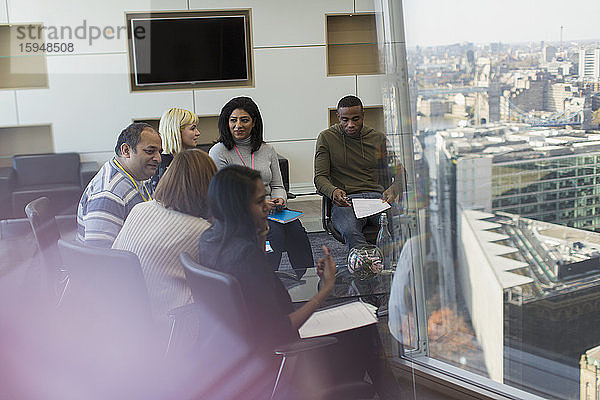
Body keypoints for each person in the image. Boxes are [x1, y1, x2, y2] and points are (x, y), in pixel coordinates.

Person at [198, 165, 399, 399]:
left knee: (364, 329)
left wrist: (260, 232)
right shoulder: (246, 256)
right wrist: (324, 292)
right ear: (238, 207)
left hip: (239, 356)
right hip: (284, 359)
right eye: (259, 201)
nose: (267, 206)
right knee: (366, 328)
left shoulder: (210, 240)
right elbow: (281, 327)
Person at [209, 96, 313, 279]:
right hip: (241, 211)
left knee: (298, 233)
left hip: (274, 209)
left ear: (254, 122)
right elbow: (226, 194)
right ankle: (264, 281)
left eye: (244, 120)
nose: (238, 125)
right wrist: (261, 203)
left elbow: (278, 185)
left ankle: (307, 279)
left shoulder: (267, 150)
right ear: (226, 123)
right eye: (233, 120)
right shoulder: (219, 151)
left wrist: (281, 198)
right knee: (275, 234)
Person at [113, 149, 216, 331]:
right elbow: (224, 282)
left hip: (122, 319)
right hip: (174, 325)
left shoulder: (139, 209)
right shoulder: (202, 231)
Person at [314, 95, 405, 250]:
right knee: (351, 231)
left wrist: (393, 189)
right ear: (338, 117)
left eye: (356, 119)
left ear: (363, 116)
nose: (351, 124)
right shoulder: (327, 138)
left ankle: (393, 267)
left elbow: (400, 173)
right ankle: (364, 268)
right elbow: (320, 177)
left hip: (377, 199)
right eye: (345, 120)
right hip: (347, 200)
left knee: (401, 227)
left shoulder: (377, 138)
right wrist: (333, 191)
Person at [77, 122, 162, 248]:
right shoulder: (108, 194)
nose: (158, 159)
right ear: (126, 151)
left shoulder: (138, 175)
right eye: (150, 151)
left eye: (159, 152)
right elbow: (99, 254)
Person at [150, 107, 201, 190]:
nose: (198, 133)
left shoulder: (185, 159)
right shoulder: (164, 163)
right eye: (192, 128)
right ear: (176, 131)